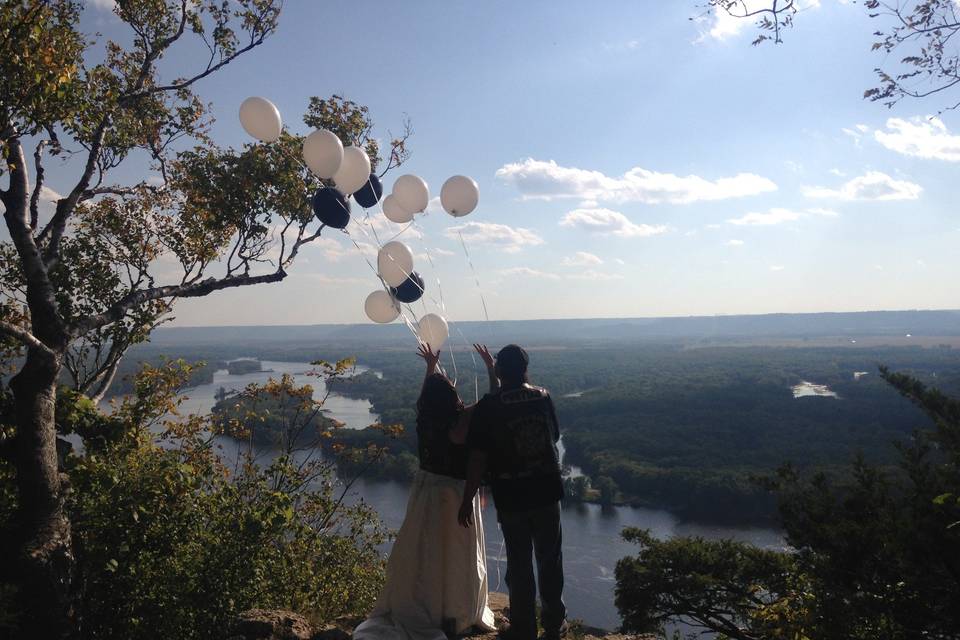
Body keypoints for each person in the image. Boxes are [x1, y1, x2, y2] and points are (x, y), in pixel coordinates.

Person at [353, 342, 499, 640]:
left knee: (424, 551)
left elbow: (424, 398)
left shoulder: (425, 419)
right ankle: (454, 608)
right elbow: (493, 400)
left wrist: (430, 367)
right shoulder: (462, 421)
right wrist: (491, 368)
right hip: (455, 494)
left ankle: (427, 601)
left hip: (426, 492)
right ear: (451, 396)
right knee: (457, 553)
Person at [458, 344, 566, 640]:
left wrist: (467, 499)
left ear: (498, 370)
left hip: (513, 494)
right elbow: (554, 436)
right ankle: (554, 627)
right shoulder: (543, 397)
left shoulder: (489, 407)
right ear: (526, 369)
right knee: (550, 560)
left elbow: (477, 458)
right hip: (546, 489)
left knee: (519, 564)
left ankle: (523, 628)